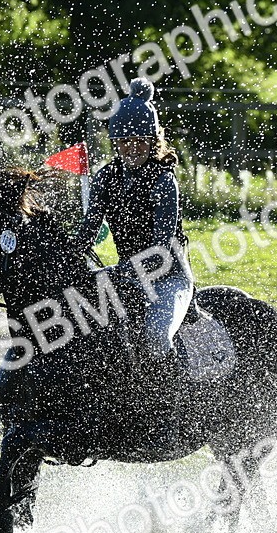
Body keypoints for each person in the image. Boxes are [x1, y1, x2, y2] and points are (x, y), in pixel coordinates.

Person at [77, 77, 194, 365]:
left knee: (155, 338)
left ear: (152, 140)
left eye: (139, 140)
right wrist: (62, 257)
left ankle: (180, 406)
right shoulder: (105, 178)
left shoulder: (164, 181)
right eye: (124, 141)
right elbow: (87, 233)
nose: (132, 148)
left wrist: (118, 271)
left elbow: (161, 253)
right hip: (129, 279)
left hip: (169, 279)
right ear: (115, 142)